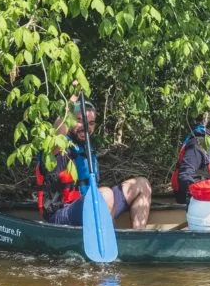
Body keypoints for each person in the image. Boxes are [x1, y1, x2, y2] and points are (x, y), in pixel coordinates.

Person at [35, 96, 153, 228]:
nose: (86, 127)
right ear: (70, 121)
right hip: (62, 214)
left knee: (143, 184)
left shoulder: (87, 147)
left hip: (90, 206)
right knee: (105, 194)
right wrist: (71, 101)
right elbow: (57, 134)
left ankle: (137, 238)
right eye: (80, 121)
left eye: (91, 123)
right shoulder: (57, 148)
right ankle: (111, 241)